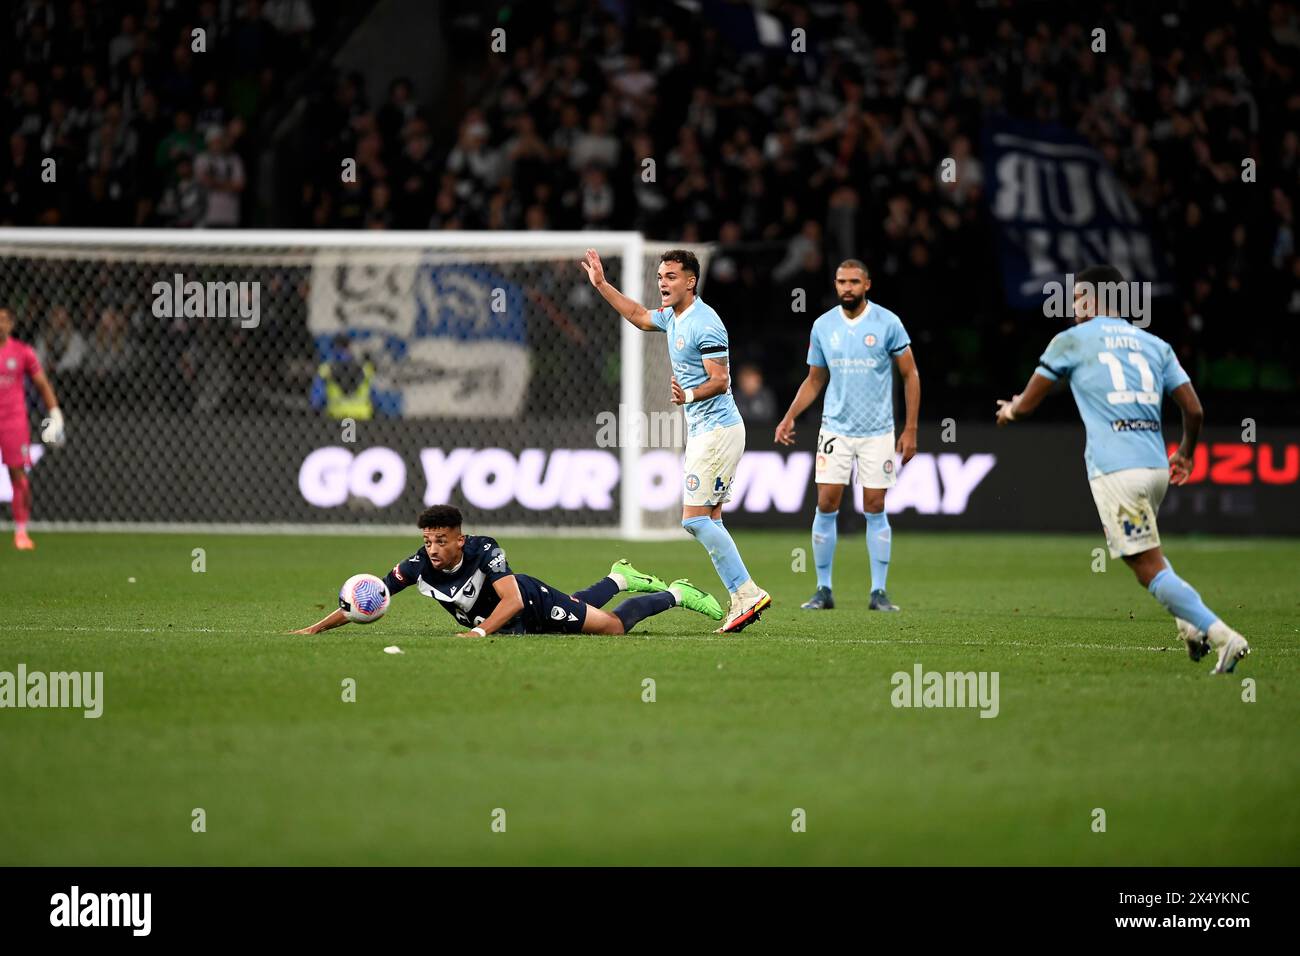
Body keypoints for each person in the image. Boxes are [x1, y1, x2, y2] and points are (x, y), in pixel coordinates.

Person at [994, 264, 1249, 674]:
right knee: (1151, 555)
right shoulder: (1154, 344)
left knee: (1145, 568)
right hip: (1156, 469)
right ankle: (1189, 628)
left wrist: (1010, 411)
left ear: (1095, 300)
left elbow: (1028, 403)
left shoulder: (1071, 341)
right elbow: (1195, 410)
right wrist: (1185, 452)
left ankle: (1221, 635)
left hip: (1117, 471)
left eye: (1078, 299)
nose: (1073, 307)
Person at [581, 248, 771, 633]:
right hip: (708, 431)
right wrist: (602, 284)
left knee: (694, 520)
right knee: (711, 519)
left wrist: (689, 394)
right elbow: (637, 315)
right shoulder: (674, 317)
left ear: (690, 281)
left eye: (670, 276)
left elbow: (722, 379)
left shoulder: (706, 323)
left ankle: (748, 592)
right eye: (660, 277)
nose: (663, 283)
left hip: (717, 431)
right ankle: (741, 598)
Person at [292, 505, 724, 636]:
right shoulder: (417, 566)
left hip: (528, 601)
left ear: (460, 538)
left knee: (610, 627)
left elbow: (513, 599)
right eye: (428, 541)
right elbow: (369, 597)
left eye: (441, 540)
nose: (433, 548)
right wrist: (314, 629)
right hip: (509, 621)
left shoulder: (485, 551)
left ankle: (676, 594)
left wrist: (478, 633)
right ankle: (619, 577)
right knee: (575, 610)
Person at [775, 260, 921, 612]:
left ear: (867, 284)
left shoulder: (888, 323)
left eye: (854, 282)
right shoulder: (824, 325)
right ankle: (823, 589)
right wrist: (790, 416)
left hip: (878, 431)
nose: (847, 288)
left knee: (875, 505)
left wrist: (911, 429)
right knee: (826, 503)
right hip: (835, 430)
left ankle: (879, 592)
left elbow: (911, 374)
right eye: (841, 282)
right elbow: (814, 380)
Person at [0, 306, 65, 551]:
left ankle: (21, 531)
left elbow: (43, 384)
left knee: (18, 475)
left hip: (13, 421)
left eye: (5, 319)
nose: (1, 324)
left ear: (12, 324)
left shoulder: (23, 352)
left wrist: (55, 414)